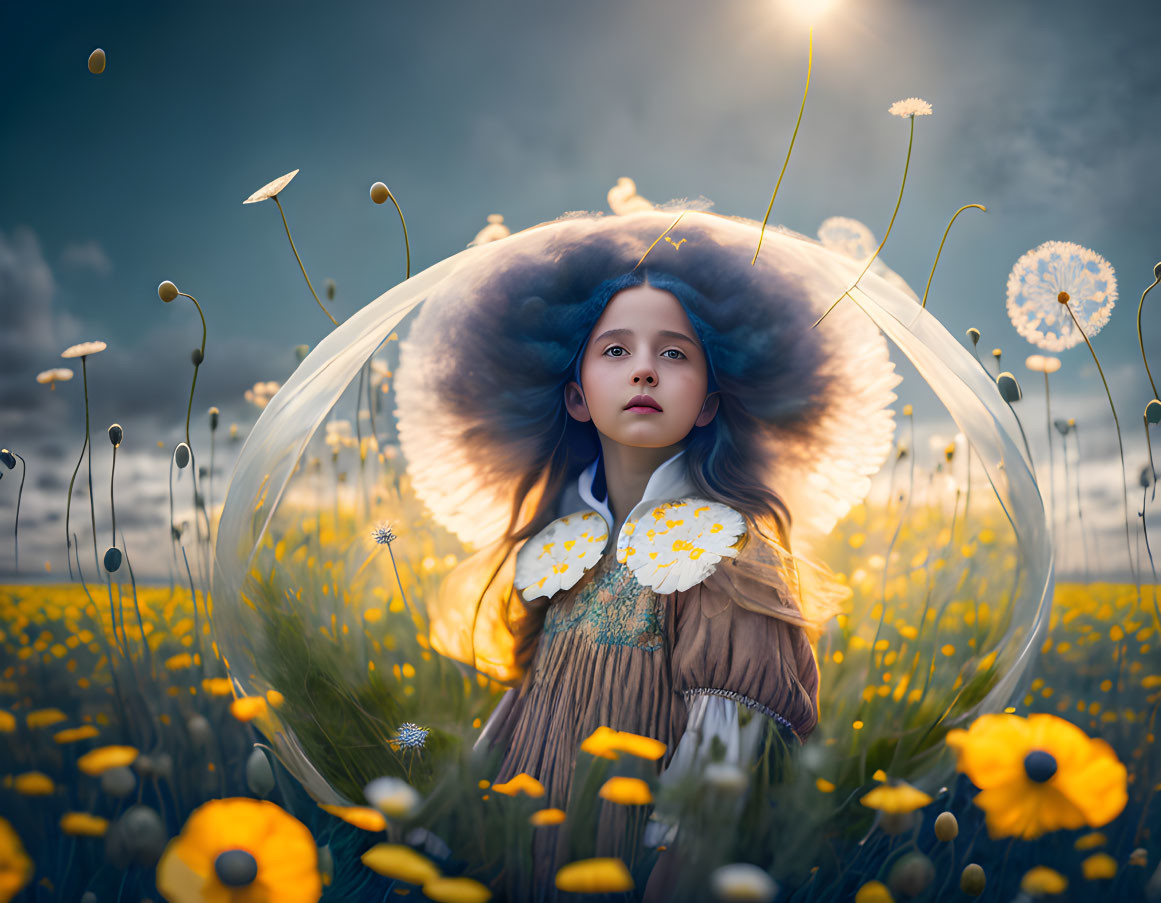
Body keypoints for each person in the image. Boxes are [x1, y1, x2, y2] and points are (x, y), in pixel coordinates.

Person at [393, 210, 900, 900]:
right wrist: (458, 830)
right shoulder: (563, 546)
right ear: (574, 396)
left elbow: (720, 767)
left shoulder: (727, 551)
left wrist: (672, 872)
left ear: (706, 404)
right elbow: (523, 710)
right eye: (614, 351)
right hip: (526, 853)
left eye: (673, 353)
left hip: (638, 864)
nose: (643, 371)